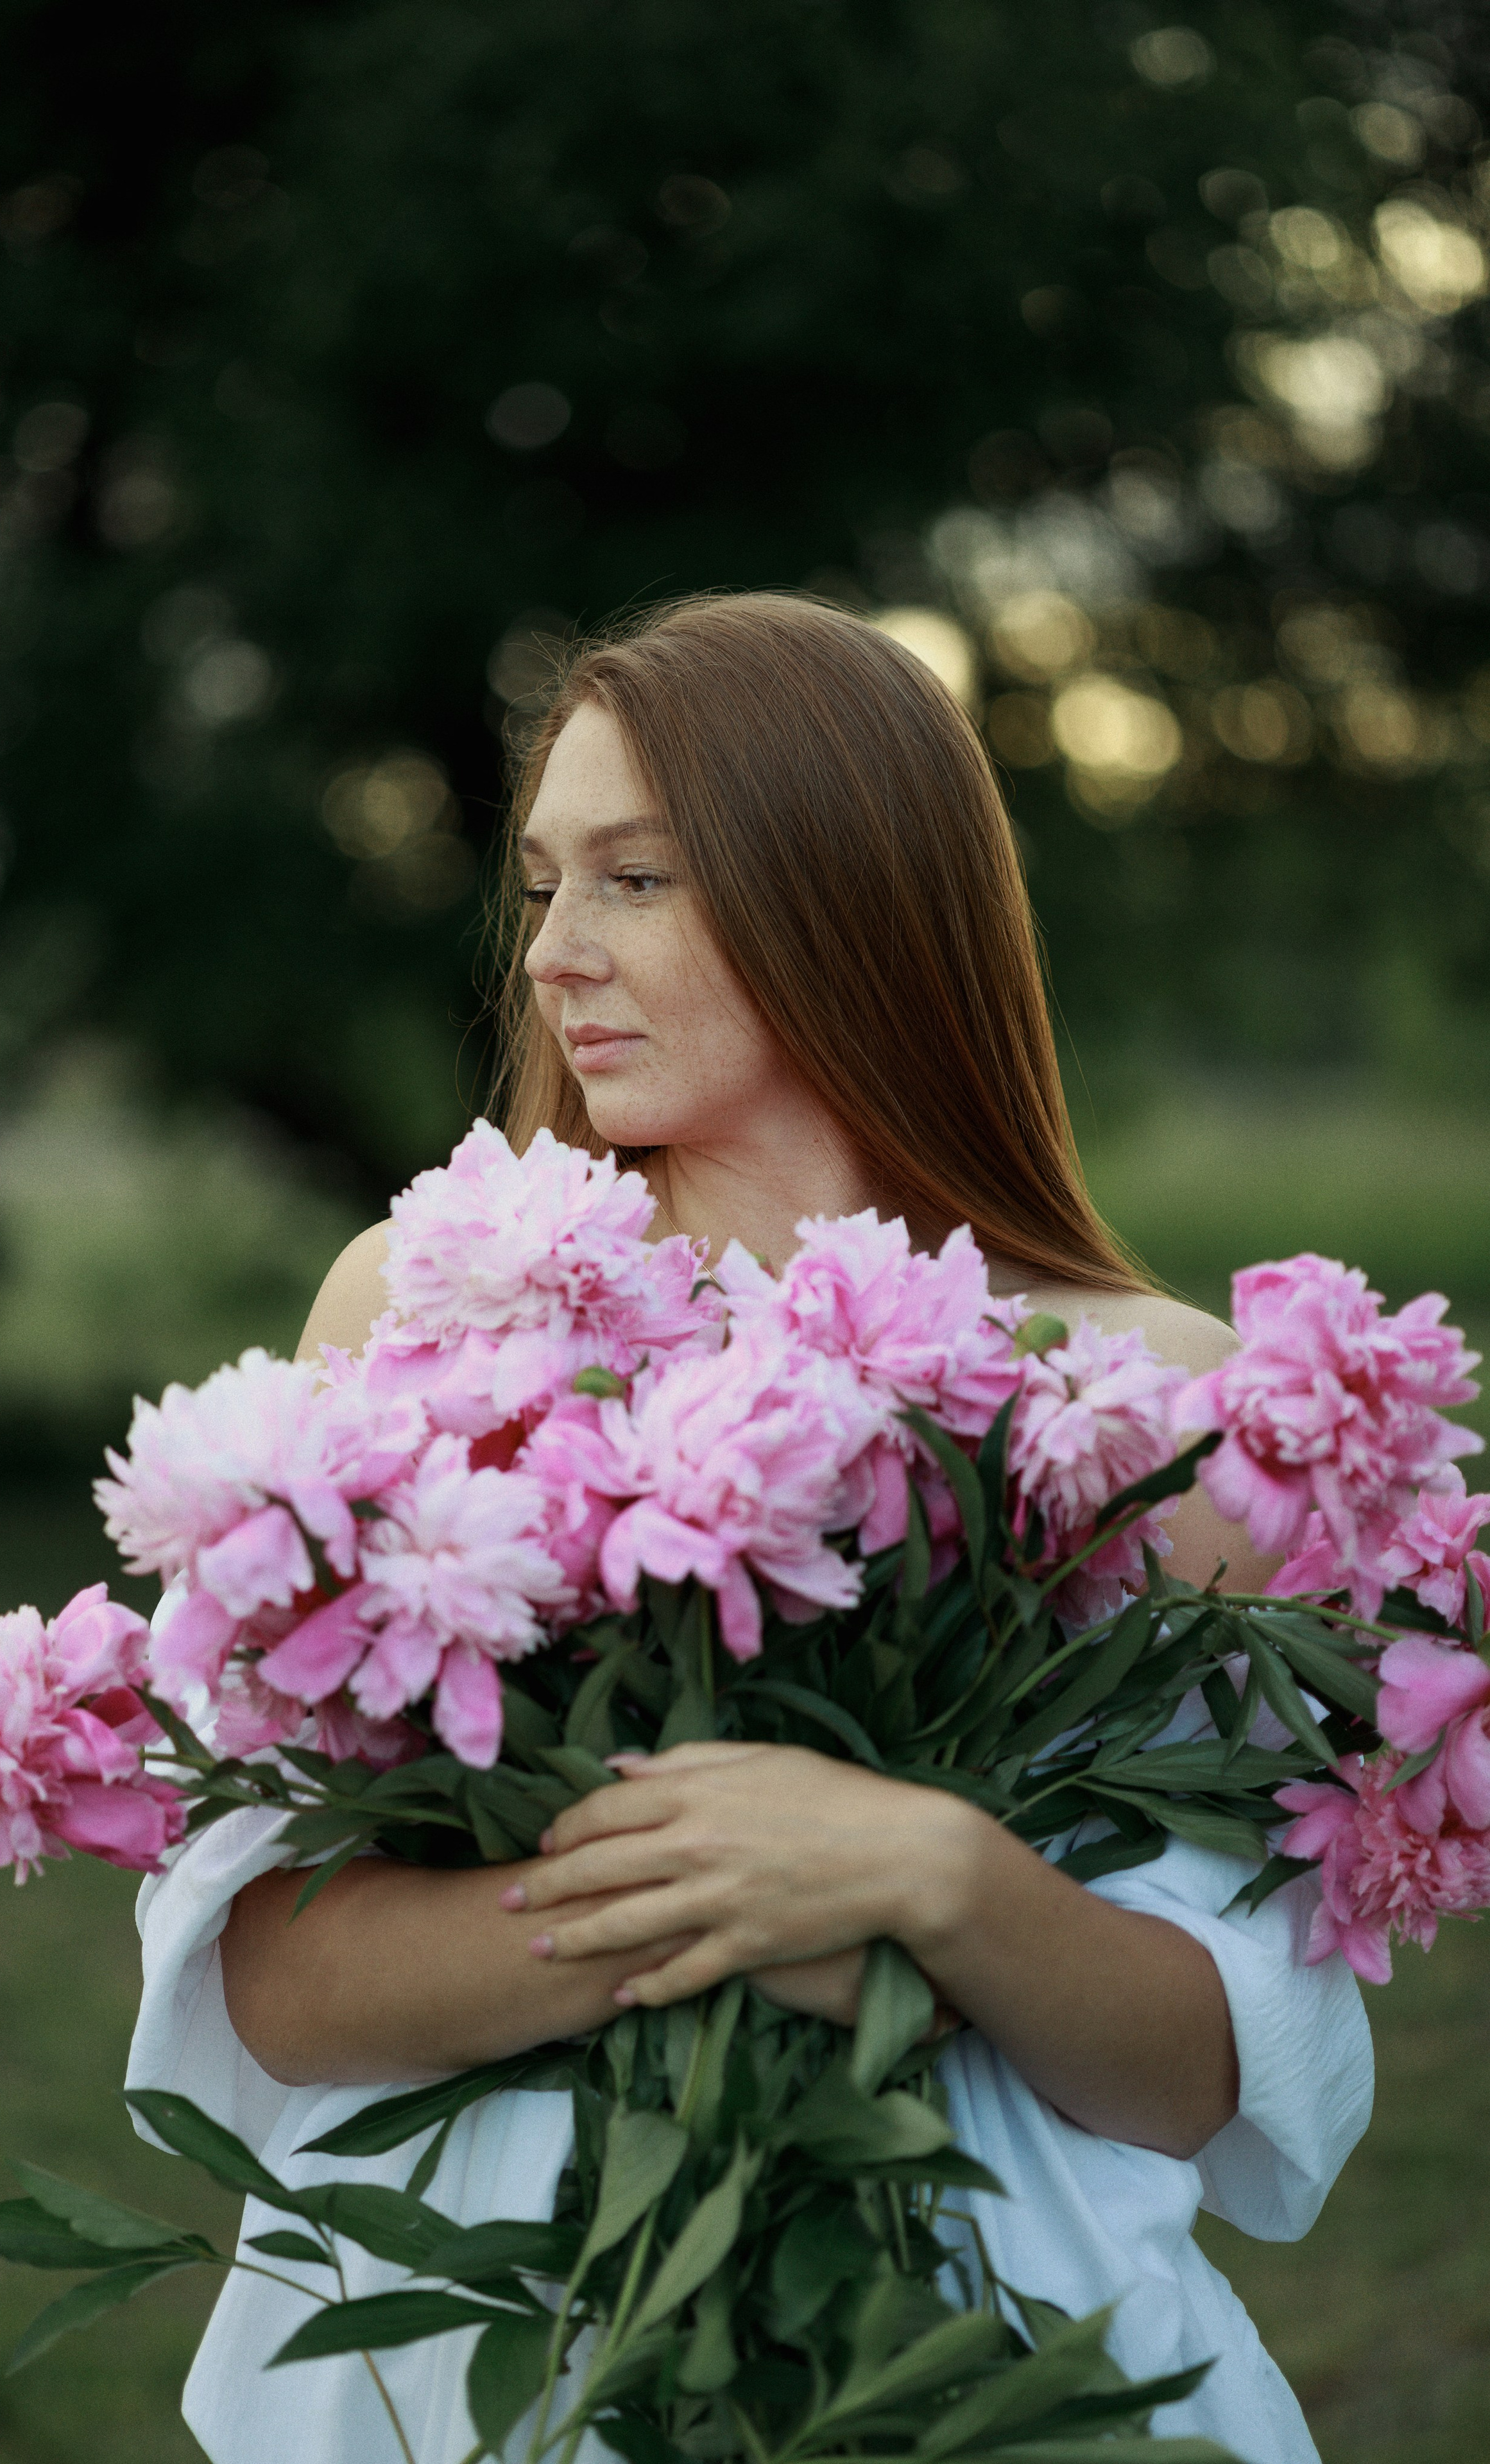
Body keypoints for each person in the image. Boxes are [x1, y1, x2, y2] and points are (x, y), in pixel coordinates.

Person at [128, 593, 1373, 2464]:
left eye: (637, 878)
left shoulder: (1156, 1404)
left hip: (990, 2367)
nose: (555, 953)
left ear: (851, 896)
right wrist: (723, 1905)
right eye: (542, 884)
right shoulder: (429, 1307)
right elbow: (285, 1980)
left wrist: (933, 1877)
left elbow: (1207, 2069)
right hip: (484, 2360)